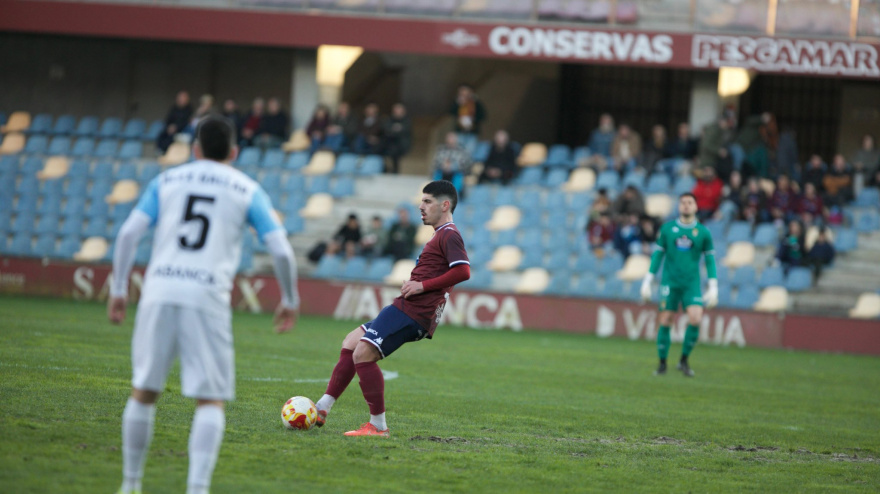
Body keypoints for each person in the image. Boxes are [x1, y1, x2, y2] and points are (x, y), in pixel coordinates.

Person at [108, 116, 299, 494]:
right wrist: (290, 299)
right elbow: (281, 249)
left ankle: (130, 486)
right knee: (210, 400)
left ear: (194, 150)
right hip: (206, 295)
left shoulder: (166, 181)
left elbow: (129, 232)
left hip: (159, 290)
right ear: (234, 152)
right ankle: (197, 489)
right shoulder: (246, 188)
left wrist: (117, 289)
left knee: (144, 391)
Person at [312, 180, 470, 437]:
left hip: (415, 311)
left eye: (427, 201)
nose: (421, 206)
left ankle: (378, 426)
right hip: (407, 306)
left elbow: (463, 271)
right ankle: (322, 407)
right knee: (352, 342)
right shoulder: (440, 234)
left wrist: (422, 286)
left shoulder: (450, 233)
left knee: (363, 353)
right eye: (422, 200)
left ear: (445, 205)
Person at [640, 193, 718, 377]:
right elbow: (658, 255)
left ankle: (683, 360)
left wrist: (713, 286)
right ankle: (662, 363)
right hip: (670, 282)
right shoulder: (668, 229)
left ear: (696, 207)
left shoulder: (703, 232)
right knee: (665, 319)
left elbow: (710, 261)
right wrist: (648, 280)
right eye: (683, 202)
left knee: (696, 318)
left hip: (691, 283)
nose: (686, 206)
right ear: (679, 206)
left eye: (690, 202)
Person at [383, 103, 412, 174]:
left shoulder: (407, 120)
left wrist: (394, 131)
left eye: (399, 110)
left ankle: (395, 170)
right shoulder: (389, 119)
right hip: (390, 142)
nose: (397, 112)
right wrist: (396, 130)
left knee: (394, 150)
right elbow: (386, 130)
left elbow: (404, 132)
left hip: (401, 144)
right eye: (395, 110)